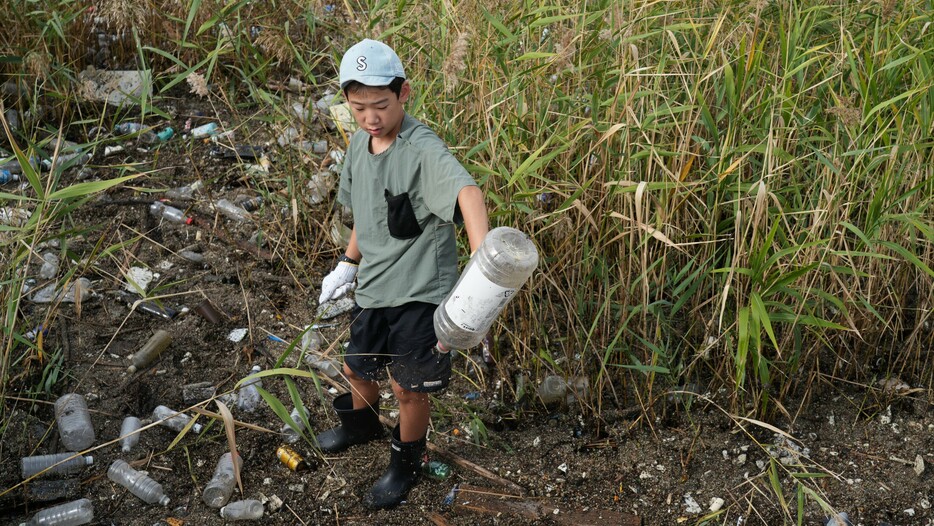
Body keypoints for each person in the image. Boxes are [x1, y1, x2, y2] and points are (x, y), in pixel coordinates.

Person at [315, 38, 489, 510]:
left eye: (381, 105)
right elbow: (366, 217)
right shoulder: (358, 144)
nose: (371, 117)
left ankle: (407, 461)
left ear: (404, 93)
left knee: (409, 388)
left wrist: (482, 266)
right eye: (358, 107)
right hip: (374, 286)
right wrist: (347, 265)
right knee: (356, 366)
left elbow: (468, 195)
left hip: (419, 292)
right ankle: (361, 426)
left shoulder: (420, 148)